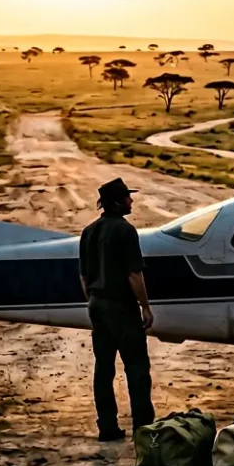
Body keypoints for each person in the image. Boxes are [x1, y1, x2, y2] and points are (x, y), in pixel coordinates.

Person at [79, 178, 155, 441]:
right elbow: (134, 274)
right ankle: (143, 429)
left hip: (97, 305)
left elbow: (84, 279)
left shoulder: (89, 231)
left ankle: (107, 427)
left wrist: (95, 301)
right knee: (136, 368)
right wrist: (144, 306)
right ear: (117, 202)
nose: (131, 200)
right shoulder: (125, 231)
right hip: (122, 306)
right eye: (127, 197)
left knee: (103, 368)